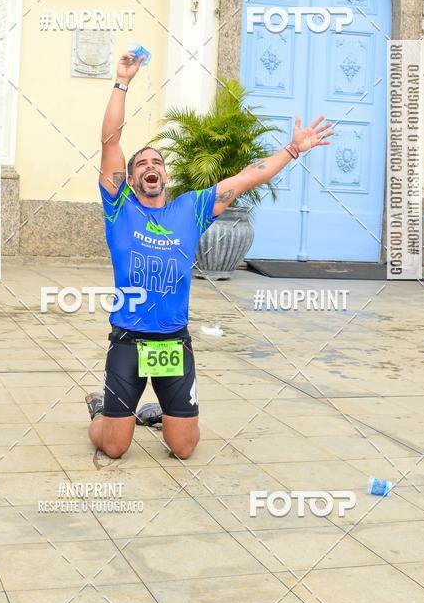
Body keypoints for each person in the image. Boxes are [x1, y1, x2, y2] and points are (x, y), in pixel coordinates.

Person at [85, 50, 334, 460]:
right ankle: (103, 412)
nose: (151, 166)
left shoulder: (190, 209)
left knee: (183, 448)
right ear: (130, 179)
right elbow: (109, 140)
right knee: (114, 446)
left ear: (165, 175)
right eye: (142, 164)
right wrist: (122, 81)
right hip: (128, 341)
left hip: (172, 342)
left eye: (158, 162)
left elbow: (247, 177)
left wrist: (292, 150)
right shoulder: (119, 207)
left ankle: (155, 410)